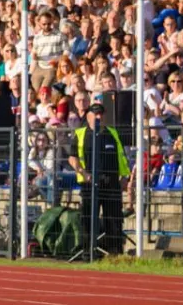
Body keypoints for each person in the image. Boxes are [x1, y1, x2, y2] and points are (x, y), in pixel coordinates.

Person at [68, 101, 129, 256]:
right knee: (88, 219)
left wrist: (125, 176)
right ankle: (88, 252)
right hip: (89, 184)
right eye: (95, 114)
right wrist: (83, 172)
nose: (99, 117)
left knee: (114, 219)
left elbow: (121, 156)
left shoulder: (112, 133)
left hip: (112, 183)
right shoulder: (80, 134)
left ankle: (115, 253)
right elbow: (73, 157)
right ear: (88, 116)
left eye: (101, 114)